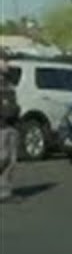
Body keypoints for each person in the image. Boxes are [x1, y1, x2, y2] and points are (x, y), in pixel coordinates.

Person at [0, 57, 20, 203]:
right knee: (2, 157)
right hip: (1, 126)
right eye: (3, 60)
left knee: (11, 160)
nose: (7, 64)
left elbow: (12, 102)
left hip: (11, 125)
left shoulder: (9, 82)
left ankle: (5, 192)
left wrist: (15, 110)